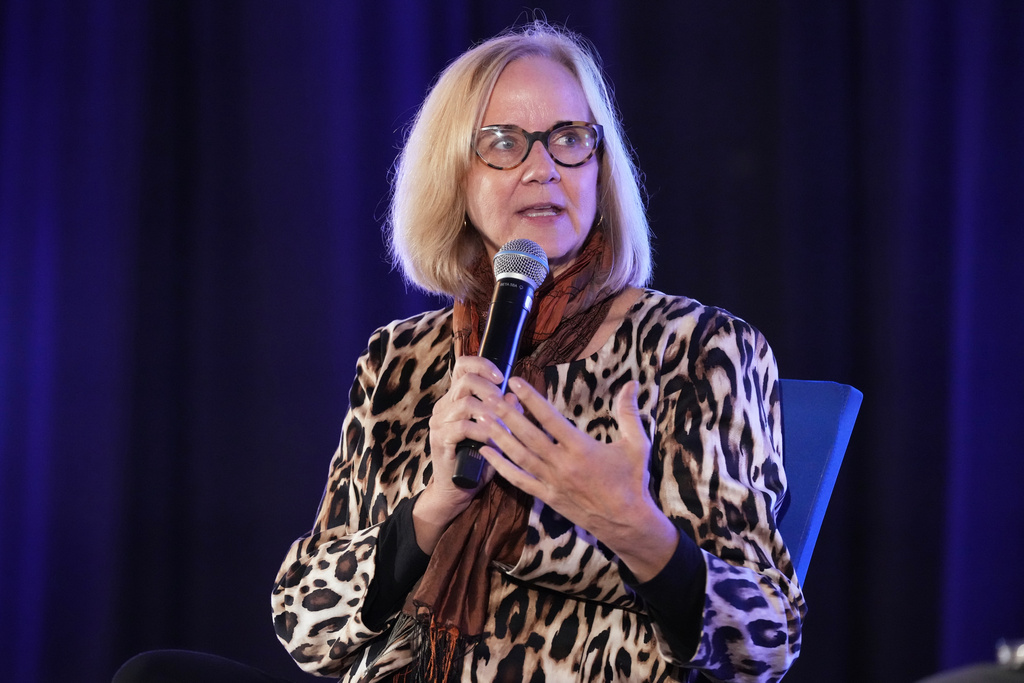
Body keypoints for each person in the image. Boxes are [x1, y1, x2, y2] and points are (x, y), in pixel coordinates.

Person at [115, 19, 805, 683]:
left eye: (569, 138)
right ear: (456, 177)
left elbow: (766, 641)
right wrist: (432, 505)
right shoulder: (400, 360)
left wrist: (633, 527)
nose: (542, 168)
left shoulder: (700, 349)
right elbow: (306, 626)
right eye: (503, 142)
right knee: (157, 674)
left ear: (600, 166)